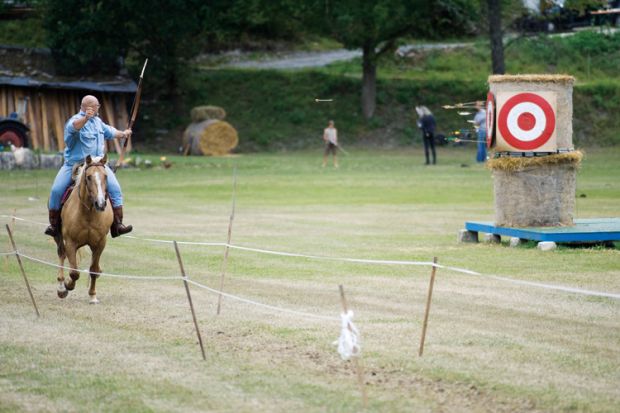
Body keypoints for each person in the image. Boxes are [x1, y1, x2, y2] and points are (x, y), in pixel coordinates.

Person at [45, 95, 133, 238]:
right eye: (97, 106)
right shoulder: (74, 121)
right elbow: (73, 128)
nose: (99, 108)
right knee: (56, 190)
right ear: (89, 108)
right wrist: (85, 118)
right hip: (75, 165)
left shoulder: (98, 122)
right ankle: (54, 225)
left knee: (115, 188)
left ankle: (118, 225)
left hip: (98, 165)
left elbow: (110, 131)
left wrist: (123, 134)